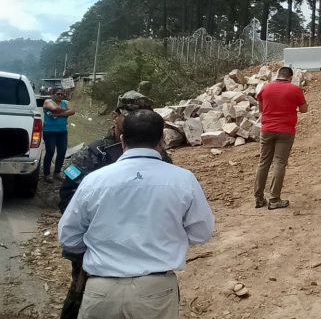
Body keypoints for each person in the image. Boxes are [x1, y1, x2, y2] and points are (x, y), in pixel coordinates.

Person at [58, 109, 214, 319]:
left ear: (122, 140)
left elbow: (68, 237)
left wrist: (100, 250)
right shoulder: (183, 180)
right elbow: (201, 233)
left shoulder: (94, 180)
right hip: (155, 292)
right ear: (163, 140)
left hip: (101, 289)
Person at [57, 90, 160, 319]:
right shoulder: (94, 154)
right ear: (115, 116)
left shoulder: (159, 158)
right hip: (94, 250)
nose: (136, 121)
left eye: (143, 116)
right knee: (80, 300)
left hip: (141, 250)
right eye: (129, 115)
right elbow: (68, 195)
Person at [253, 66, 308, 210]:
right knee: (279, 163)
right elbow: (304, 109)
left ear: (278, 75)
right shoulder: (295, 90)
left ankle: (259, 198)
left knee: (263, 162)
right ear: (290, 77)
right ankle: (274, 199)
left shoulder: (265, 88)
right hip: (285, 131)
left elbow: (261, 108)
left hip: (266, 130)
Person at [43, 88, 75, 182]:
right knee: (50, 151)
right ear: (52, 95)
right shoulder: (48, 101)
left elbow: (73, 111)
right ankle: (47, 174)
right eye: (58, 94)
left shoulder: (65, 102)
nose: (60, 96)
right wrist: (65, 111)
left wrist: (58, 114)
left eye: (62, 94)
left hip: (62, 131)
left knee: (62, 152)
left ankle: (57, 172)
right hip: (49, 131)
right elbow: (54, 108)